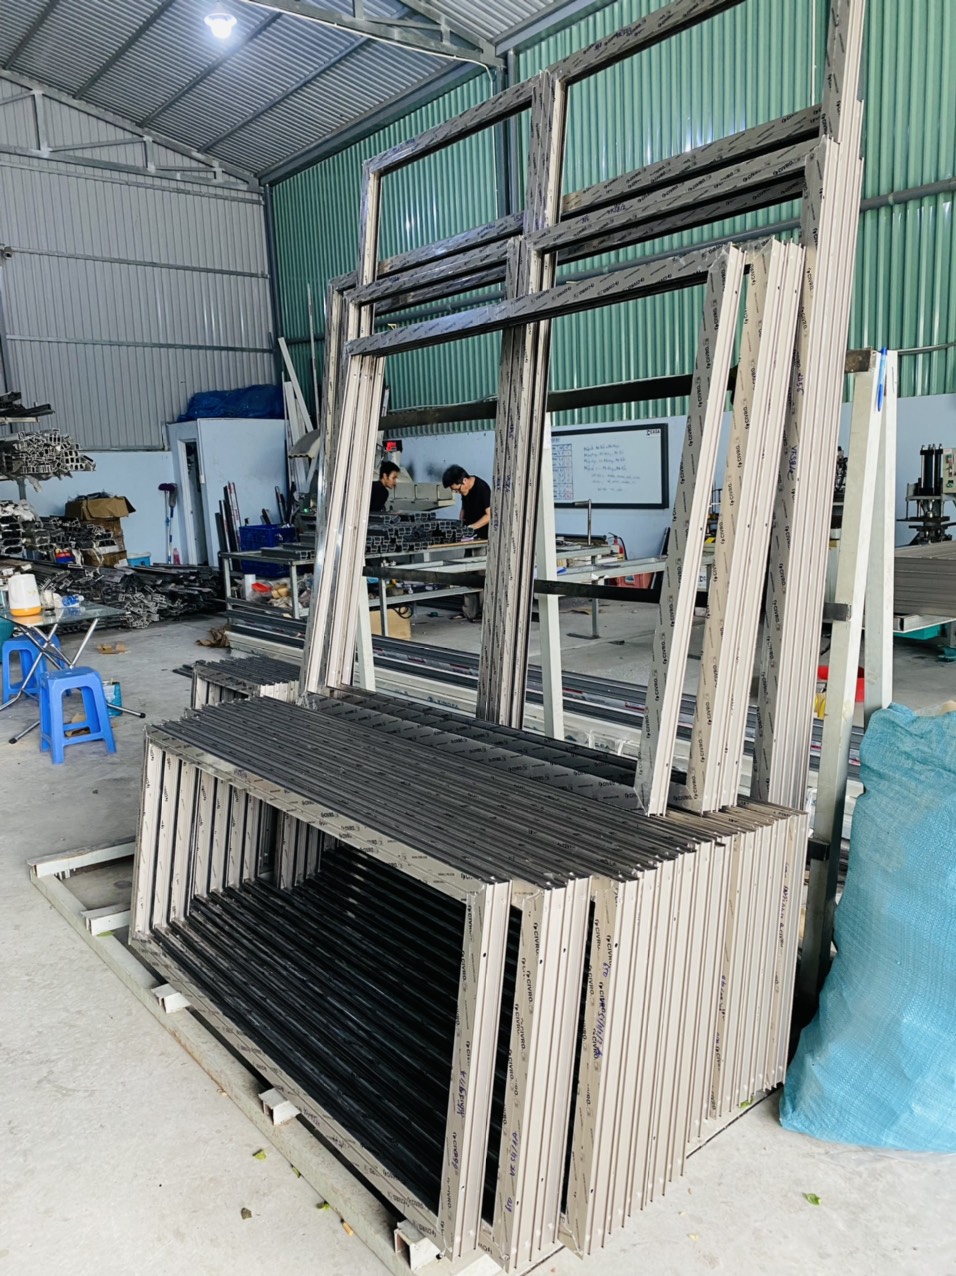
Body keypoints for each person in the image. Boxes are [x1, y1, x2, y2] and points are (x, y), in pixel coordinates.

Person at [441, 465, 491, 539]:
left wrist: (470, 528)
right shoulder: (464, 488)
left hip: (482, 534)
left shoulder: (482, 488)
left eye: (457, 490)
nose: (456, 492)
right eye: (453, 490)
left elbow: (489, 515)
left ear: (464, 480)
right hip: (468, 533)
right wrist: (460, 525)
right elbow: (464, 508)